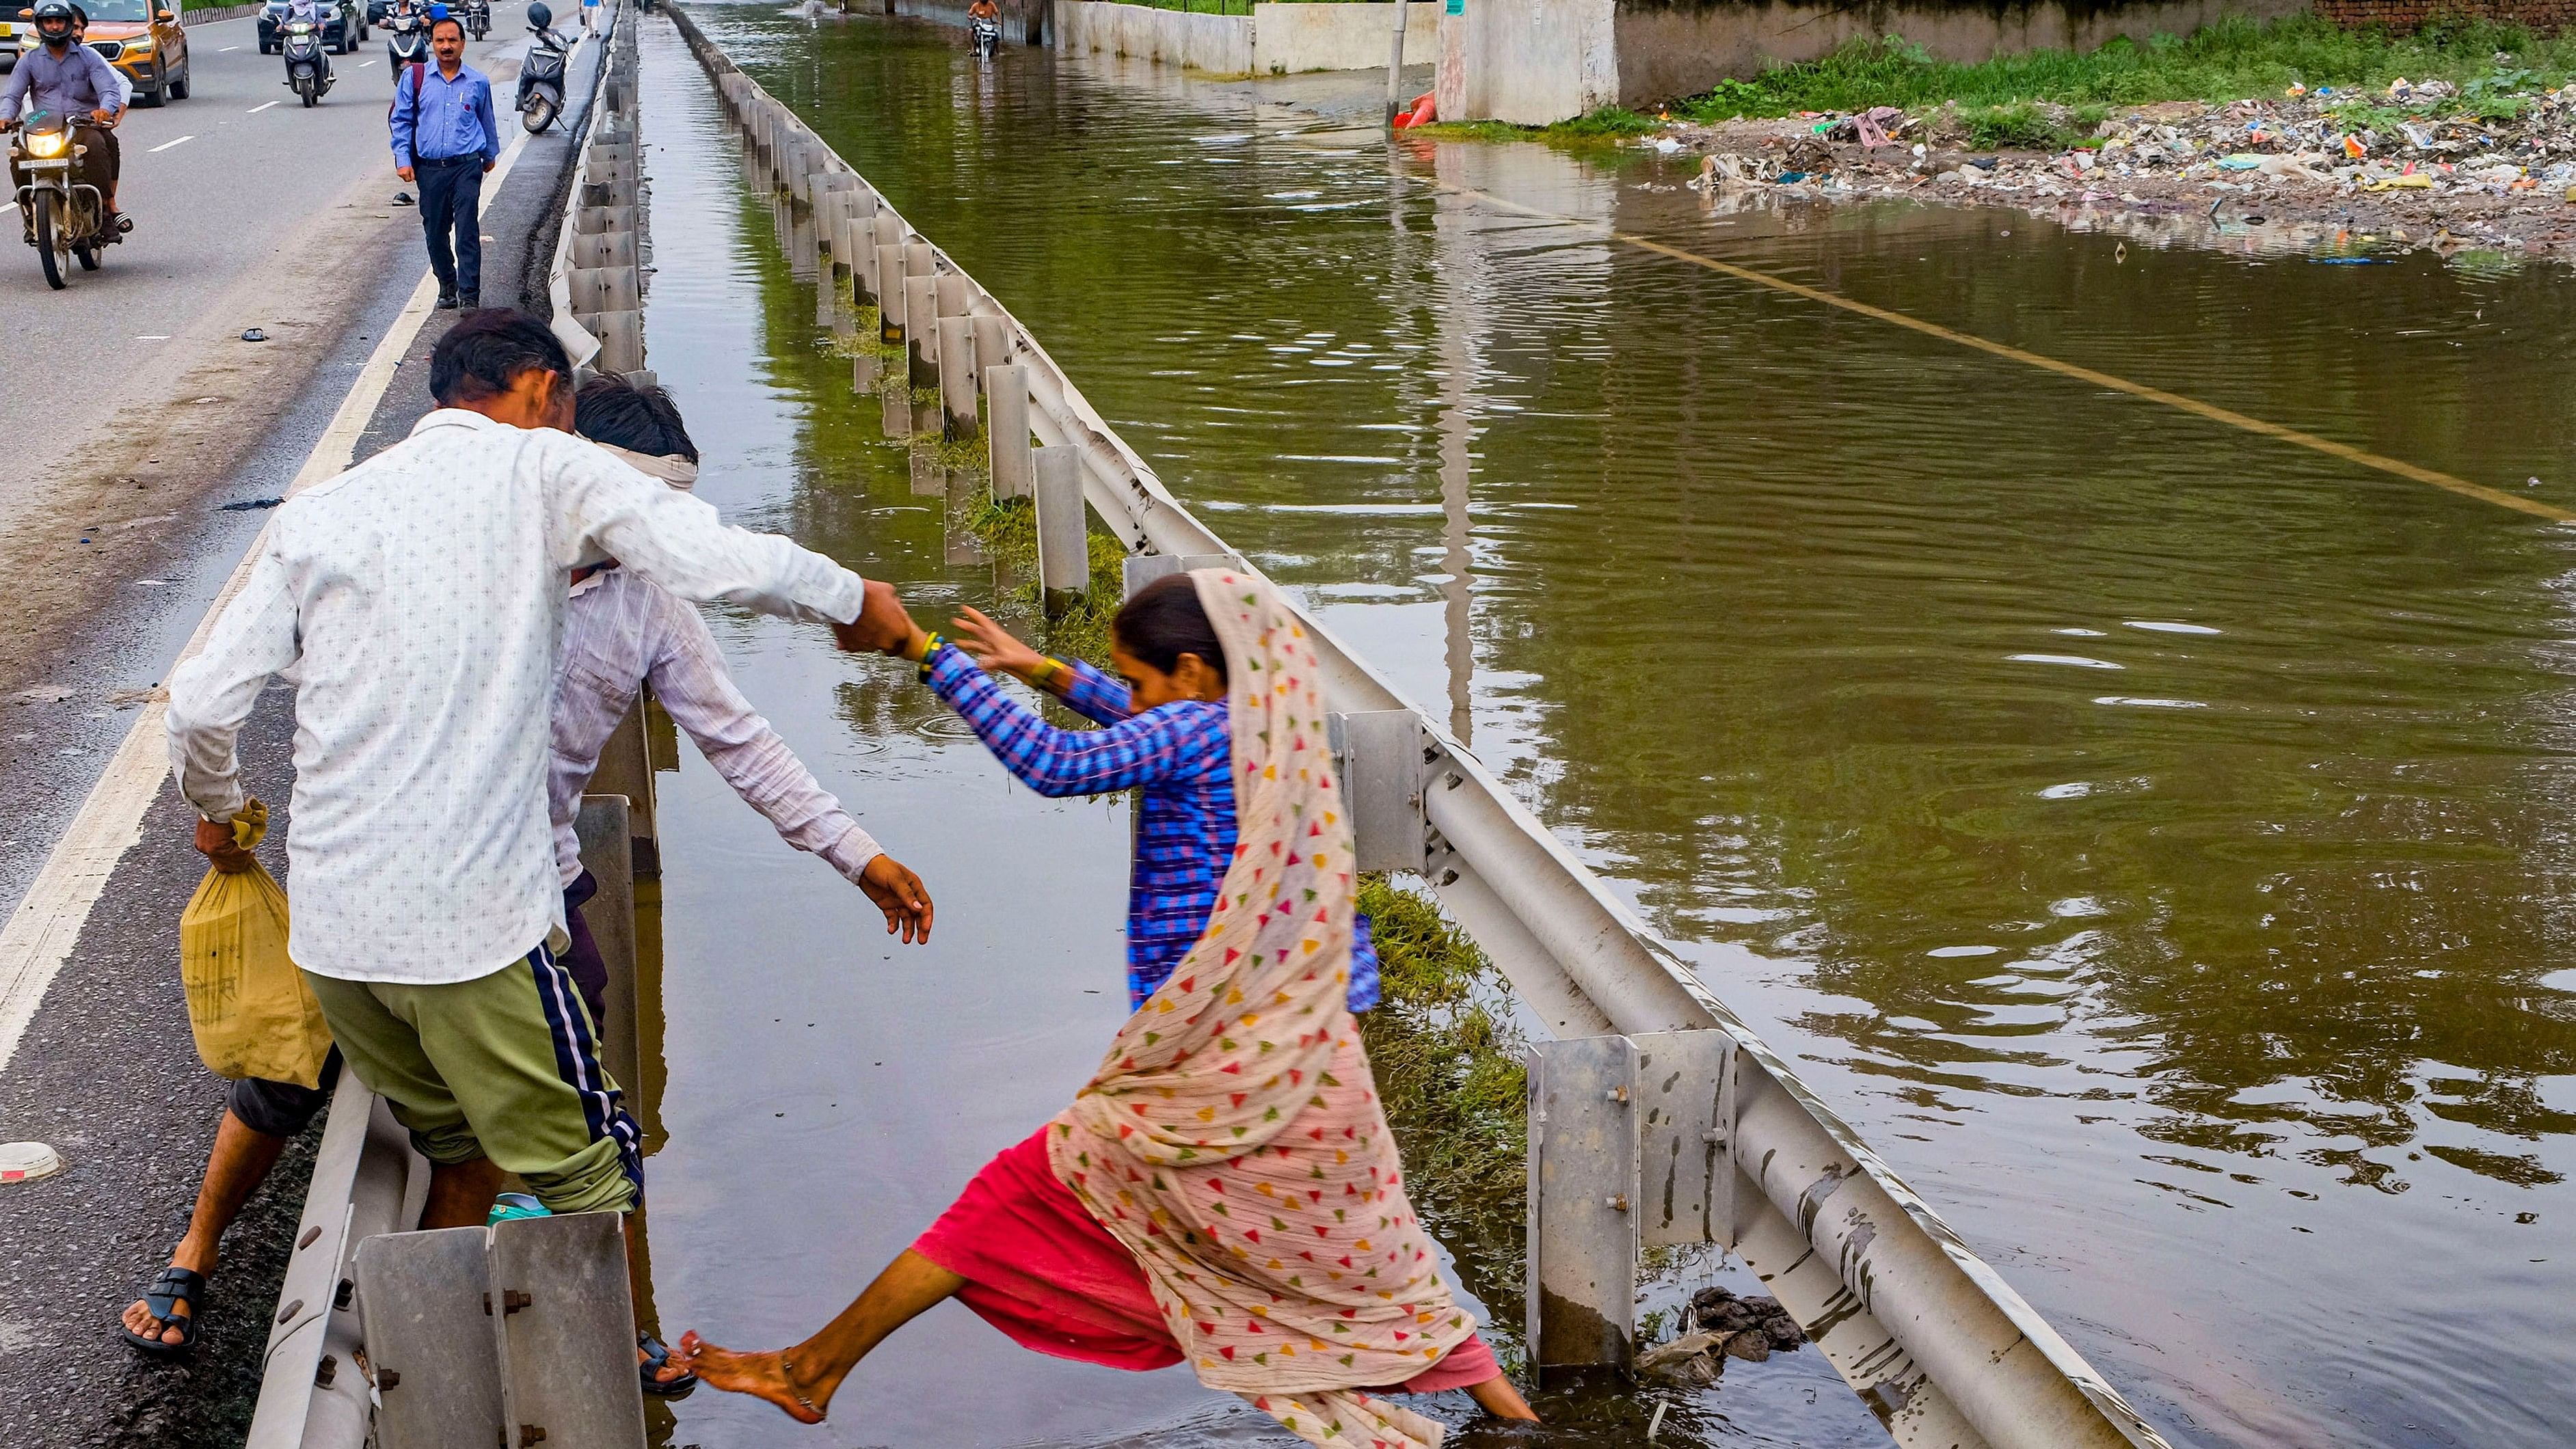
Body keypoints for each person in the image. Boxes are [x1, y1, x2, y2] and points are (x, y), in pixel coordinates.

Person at [162, 310, 924, 1394]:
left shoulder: (327, 510)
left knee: (464, 1149)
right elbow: (716, 557)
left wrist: (224, 813)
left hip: (341, 938)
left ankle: (409, 1370)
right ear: (537, 393)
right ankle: (601, 1377)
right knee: (598, 1157)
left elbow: (196, 702)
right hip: (476, 926)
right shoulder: (542, 470)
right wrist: (855, 600)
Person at [672, 574, 1538, 1445]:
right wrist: (1046, 669)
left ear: (1195, 671)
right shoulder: (1267, 723)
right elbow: (1149, 725)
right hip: (1308, 1037)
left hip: (1214, 1051)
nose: (1129, 696)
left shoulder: (1191, 728)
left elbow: (1060, 765)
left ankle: (809, 1370)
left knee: (1004, 1201)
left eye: (1139, 679)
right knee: (1365, 1241)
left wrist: (924, 653)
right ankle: (1519, 1419)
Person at [388, 12, 498, 310]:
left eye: (452, 40)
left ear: (463, 44)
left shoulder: (478, 82)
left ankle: (469, 295)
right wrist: (403, 159)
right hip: (430, 169)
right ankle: (447, 282)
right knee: (435, 231)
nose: (446, 46)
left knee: (466, 229)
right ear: (432, 44)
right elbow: (402, 120)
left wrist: (489, 155)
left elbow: (486, 121)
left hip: (467, 166)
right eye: (440, 40)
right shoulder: (416, 77)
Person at [0, 0, 126, 232]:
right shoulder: (29, 60)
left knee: (100, 145)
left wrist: (105, 109)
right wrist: (5, 117)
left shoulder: (89, 57)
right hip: (45, 127)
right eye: (48, 22)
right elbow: (12, 95)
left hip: (82, 124)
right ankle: (31, 210)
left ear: (69, 24)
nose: (55, 27)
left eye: (60, 21)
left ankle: (104, 210)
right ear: (40, 26)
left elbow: (109, 89)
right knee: (18, 152)